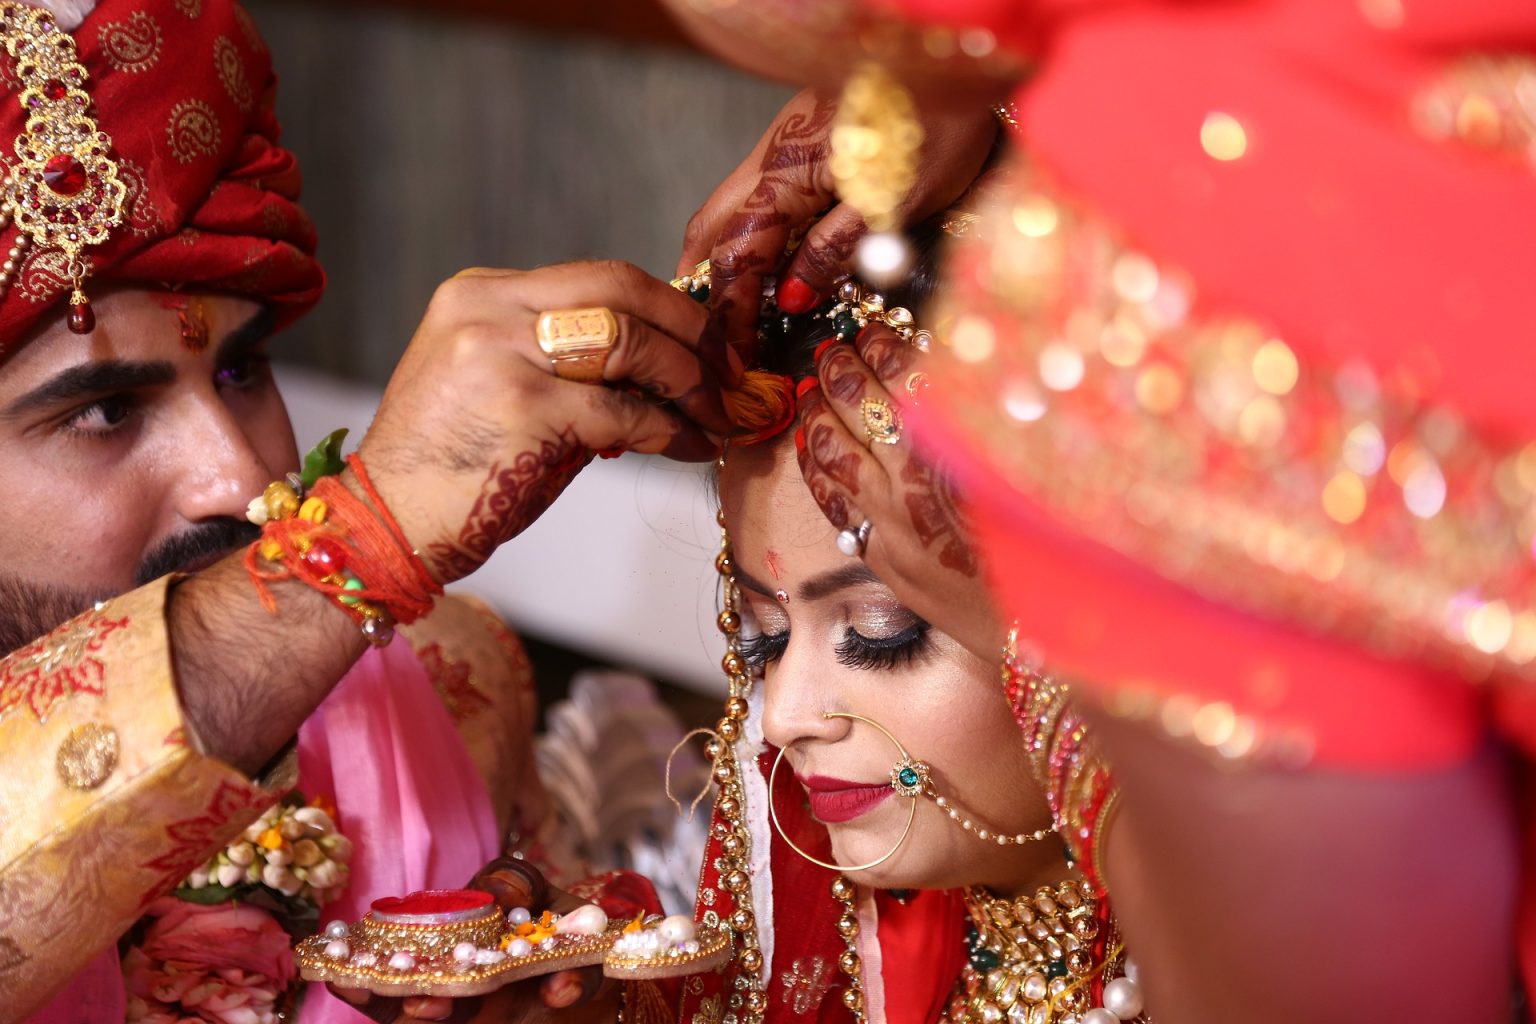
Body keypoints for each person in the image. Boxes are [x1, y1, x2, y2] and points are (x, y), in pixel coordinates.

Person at [658, 0, 1536, 1020]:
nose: (785, 714)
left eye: (884, 628)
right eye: (760, 640)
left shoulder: (1174, 273)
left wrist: (1049, 656)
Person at [0, 1, 732, 1021]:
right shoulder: (346, 596)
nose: (238, 477)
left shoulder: (440, 675)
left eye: (244, 368)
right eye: (106, 409)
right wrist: (356, 544)